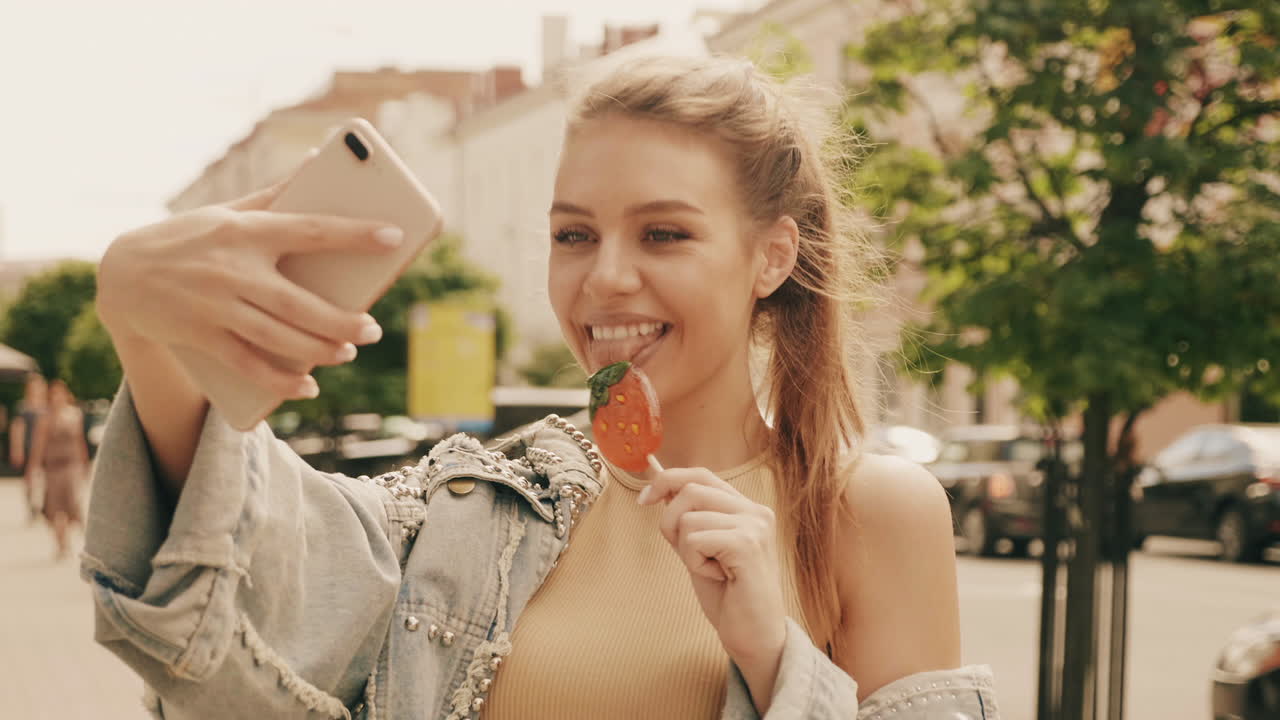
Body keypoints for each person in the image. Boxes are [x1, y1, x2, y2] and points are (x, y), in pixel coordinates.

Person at [83, 55, 999, 719]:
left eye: (663, 234)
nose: (604, 278)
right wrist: (146, 332)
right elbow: (235, 585)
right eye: (573, 235)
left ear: (770, 257)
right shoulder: (479, 501)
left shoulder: (868, 511)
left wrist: (771, 656)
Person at [29, 379, 89, 559]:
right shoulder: (45, 418)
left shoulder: (75, 414)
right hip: (53, 468)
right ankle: (61, 544)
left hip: (71, 465)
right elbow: (38, 445)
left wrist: (84, 463)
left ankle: (67, 538)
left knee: (71, 503)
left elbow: (80, 441)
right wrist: (34, 467)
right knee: (55, 507)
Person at [9, 372, 48, 522]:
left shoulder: (46, 406)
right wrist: (16, 449)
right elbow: (17, 429)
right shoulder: (23, 407)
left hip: (45, 450)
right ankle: (32, 507)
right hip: (28, 448)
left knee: (43, 479)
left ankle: (43, 506)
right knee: (29, 480)